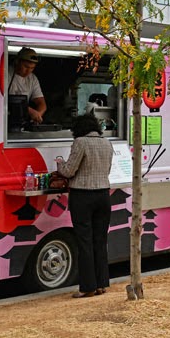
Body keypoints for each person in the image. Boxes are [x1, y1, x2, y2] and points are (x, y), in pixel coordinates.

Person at [56, 114, 114, 298]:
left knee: (84, 241)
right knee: (100, 240)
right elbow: (107, 169)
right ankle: (101, 284)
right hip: (103, 195)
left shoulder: (80, 142)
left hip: (83, 195)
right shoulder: (107, 143)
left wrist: (59, 163)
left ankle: (87, 287)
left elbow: (69, 170)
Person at [8, 47, 47, 124]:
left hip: (21, 121)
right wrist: (29, 111)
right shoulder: (5, 73)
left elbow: (41, 103)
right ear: (17, 62)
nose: (28, 71)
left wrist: (38, 115)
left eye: (32, 68)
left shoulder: (32, 79)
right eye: (26, 67)